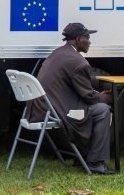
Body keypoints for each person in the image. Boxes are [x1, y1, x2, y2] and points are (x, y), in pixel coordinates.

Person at [32, 22, 117, 175]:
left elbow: (82, 92)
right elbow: (88, 97)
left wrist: (96, 96)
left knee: (93, 108)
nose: (89, 42)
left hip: (42, 108)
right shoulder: (79, 62)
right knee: (102, 110)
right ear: (78, 40)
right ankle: (96, 163)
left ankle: (83, 158)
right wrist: (104, 98)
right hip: (56, 110)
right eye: (87, 38)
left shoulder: (58, 52)